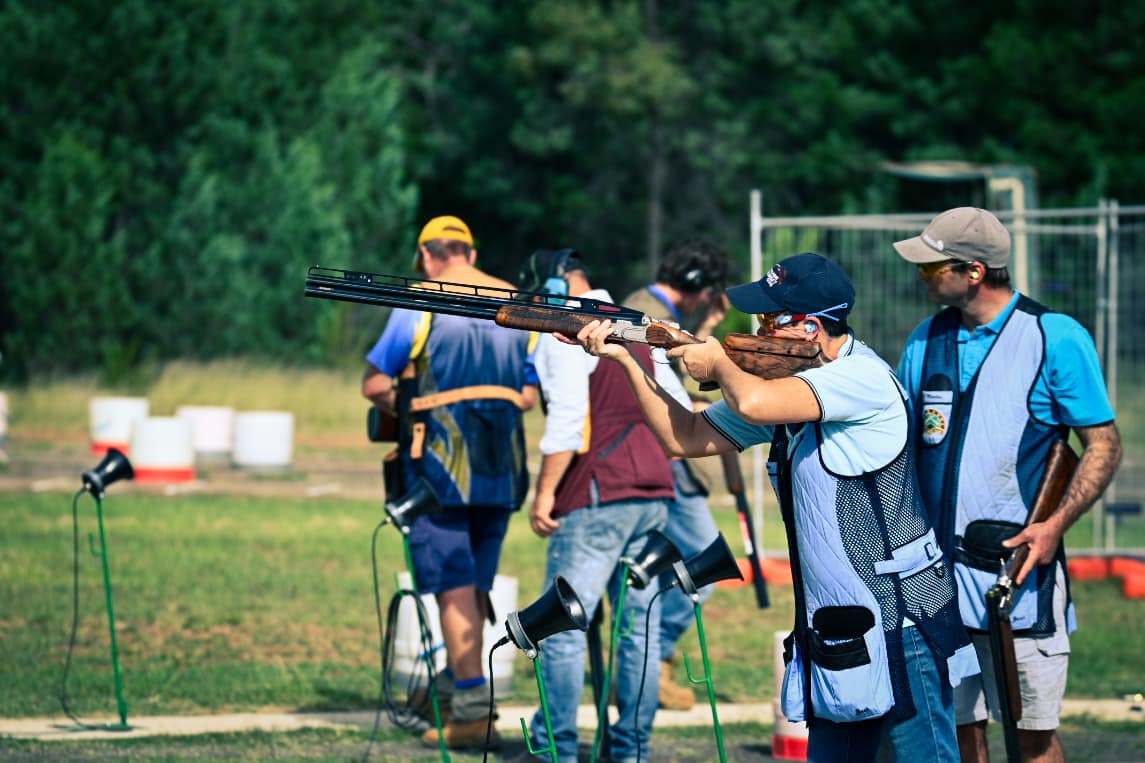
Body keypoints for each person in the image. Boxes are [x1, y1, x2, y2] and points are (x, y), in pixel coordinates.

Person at [574, 252, 979, 763]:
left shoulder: (860, 378)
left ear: (809, 327)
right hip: (838, 629)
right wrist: (631, 359)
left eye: (769, 319)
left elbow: (753, 404)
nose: (757, 329)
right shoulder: (790, 389)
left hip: (903, 626)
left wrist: (718, 363)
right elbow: (686, 437)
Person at [893, 208, 1122, 763]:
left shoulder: (1054, 336)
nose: (921, 276)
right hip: (936, 585)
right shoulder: (926, 339)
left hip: (1015, 578)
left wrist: (1053, 527)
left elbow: (1104, 445)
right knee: (960, 732)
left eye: (931, 267)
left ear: (973, 272)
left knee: (1031, 737)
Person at [362, 215, 536, 750]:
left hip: (439, 467)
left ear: (426, 256)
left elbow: (375, 382)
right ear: (470, 252)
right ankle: (451, 684)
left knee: (453, 583)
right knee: (474, 583)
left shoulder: (420, 299)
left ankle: (471, 707)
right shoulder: (517, 304)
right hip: (502, 466)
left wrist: (411, 408)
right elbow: (529, 395)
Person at [517, 248, 685, 763]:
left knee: (563, 628)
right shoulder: (638, 323)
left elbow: (568, 420)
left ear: (549, 288)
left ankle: (557, 752)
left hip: (597, 492)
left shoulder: (567, 329)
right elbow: (677, 406)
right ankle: (631, 751)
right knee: (639, 632)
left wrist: (544, 493)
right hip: (654, 491)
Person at [621, 237, 731, 710]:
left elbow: (673, 375)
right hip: (663, 463)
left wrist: (707, 326)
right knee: (705, 564)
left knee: (667, 570)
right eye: (706, 291)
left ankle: (646, 662)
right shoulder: (650, 317)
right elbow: (663, 386)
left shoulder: (651, 310)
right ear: (695, 283)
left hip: (657, 462)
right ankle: (653, 659)